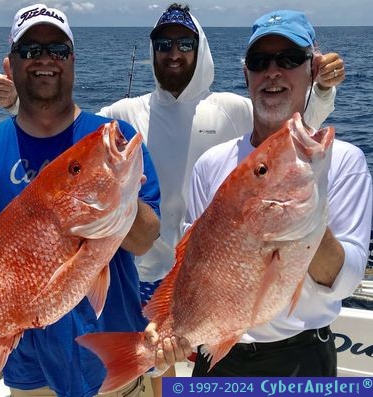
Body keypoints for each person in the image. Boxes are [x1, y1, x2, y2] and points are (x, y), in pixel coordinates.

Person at [0, 3, 346, 390]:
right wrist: (17, 103)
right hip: (140, 277)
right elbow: (71, 138)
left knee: (166, 372)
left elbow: (294, 134)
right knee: (152, 365)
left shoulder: (232, 108)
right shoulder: (127, 111)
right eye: (163, 43)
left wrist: (322, 89)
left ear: (201, 48)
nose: (173, 52)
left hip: (213, 275)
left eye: (184, 43)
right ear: (152, 51)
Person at [0, 3, 161, 397]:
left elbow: (145, 240)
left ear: (73, 61)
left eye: (57, 50)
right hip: (31, 381)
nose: (45, 60)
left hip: (120, 367)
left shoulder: (115, 137)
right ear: (10, 65)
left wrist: (121, 198)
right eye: (30, 51)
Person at [181, 9, 372, 376]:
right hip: (218, 355)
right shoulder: (210, 163)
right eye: (259, 61)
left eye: (289, 59)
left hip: (302, 358)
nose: (272, 71)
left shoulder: (345, 161)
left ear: (312, 71)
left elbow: (344, 281)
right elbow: (193, 264)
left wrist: (303, 221)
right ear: (246, 75)